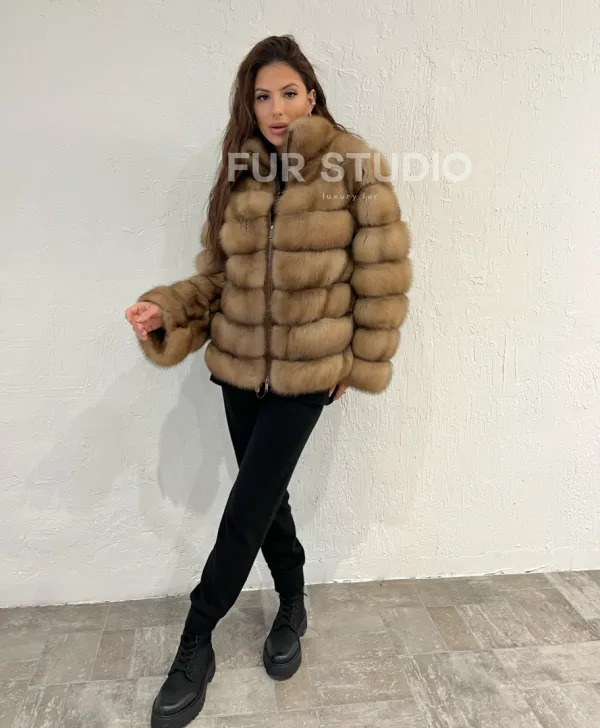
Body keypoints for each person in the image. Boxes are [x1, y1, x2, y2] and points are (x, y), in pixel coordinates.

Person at [125, 34, 411, 728]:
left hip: (309, 372)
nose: (277, 109)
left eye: (288, 93)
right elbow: (218, 278)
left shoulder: (353, 166)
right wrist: (168, 308)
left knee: (247, 506)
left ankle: (197, 637)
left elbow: (380, 278)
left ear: (311, 94)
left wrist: (356, 364)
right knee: (268, 496)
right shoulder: (243, 173)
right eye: (262, 96)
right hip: (238, 368)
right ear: (248, 106)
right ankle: (294, 601)